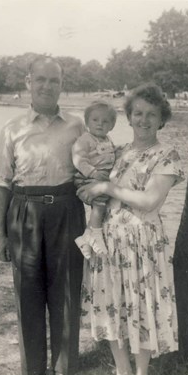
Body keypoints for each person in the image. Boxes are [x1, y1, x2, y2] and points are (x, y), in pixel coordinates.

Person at [77, 83, 185, 375]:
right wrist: (90, 191)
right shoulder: (119, 151)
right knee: (112, 301)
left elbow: (150, 200)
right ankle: (122, 371)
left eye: (152, 114)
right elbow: (95, 184)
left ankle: (141, 374)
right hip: (110, 239)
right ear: (128, 116)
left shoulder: (167, 154)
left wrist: (108, 187)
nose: (144, 119)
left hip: (143, 243)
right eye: (138, 113)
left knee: (142, 304)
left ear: (162, 119)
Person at [0, 56, 86, 375]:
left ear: (62, 85)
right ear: (28, 83)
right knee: (29, 295)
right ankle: (33, 374)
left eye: (54, 80)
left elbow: (95, 170)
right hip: (24, 212)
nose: (47, 86)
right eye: (41, 79)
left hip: (66, 211)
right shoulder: (11, 128)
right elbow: (1, 183)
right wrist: (1, 233)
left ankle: (63, 371)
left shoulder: (77, 126)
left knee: (67, 293)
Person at [72, 100, 117, 259]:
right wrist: (93, 173)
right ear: (87, 122)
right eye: (95, 120)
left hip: (100, 178)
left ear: (112, 125)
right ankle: (95, 233)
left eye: (105, 121)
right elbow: (79, 160)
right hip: (86, 177)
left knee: (103, 202)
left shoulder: (108, 140)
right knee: (100, 203)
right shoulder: (85, 139)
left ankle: (85, 238)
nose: (100, 124)